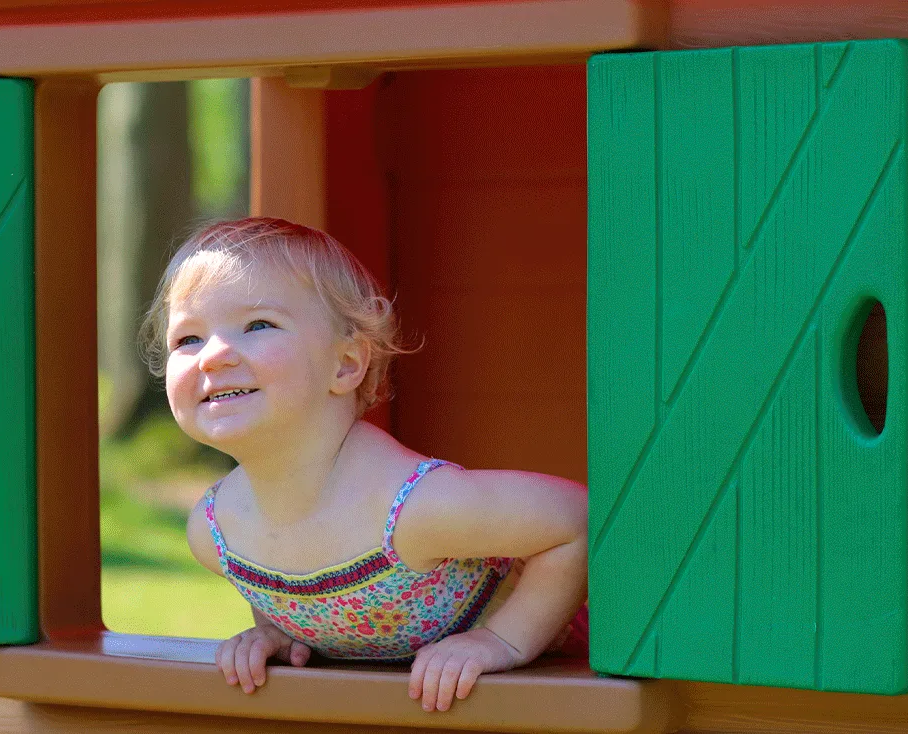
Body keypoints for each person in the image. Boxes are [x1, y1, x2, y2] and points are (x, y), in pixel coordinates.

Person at [140, 217, 588, 712]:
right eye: (188, 339)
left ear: (347, 364)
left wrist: (501, 643)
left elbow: (576, 522)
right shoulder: (216, 532)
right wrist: (275, 632)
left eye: (258, 325)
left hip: (561, 695)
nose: (213, 356)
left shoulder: (412, 508)